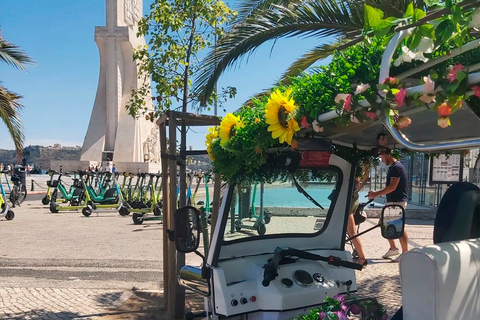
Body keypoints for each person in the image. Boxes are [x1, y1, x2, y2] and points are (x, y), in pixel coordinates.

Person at [368, 149, 409, 262]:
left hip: (397, 201)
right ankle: (393, 248)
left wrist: (375, 194)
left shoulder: (396, 168)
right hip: (393, 201)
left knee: (399, 227)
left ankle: (405, 253)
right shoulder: (393, 167)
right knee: (383, 224)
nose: (381, 159)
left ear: (387, 154)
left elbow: (392, 187)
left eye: (381, 156)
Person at [347, 163, 370, 267]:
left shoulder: (353, 182)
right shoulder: (355, 186)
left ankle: (362, 258)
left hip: (349, 204)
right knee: (352, 233)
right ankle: (361, 256)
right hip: (351, 201)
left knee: (352, 233)